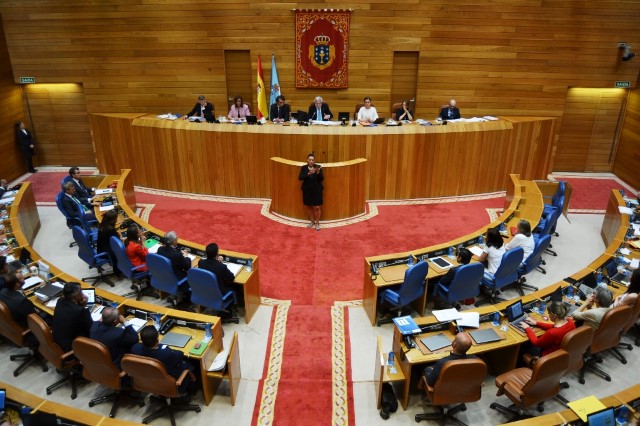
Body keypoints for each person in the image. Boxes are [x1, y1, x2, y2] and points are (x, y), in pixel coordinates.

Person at [131, 325, 196, 395]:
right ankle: (190, 391)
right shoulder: (166, 353)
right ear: (157, 339)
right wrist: (164, 347)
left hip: (148, 381)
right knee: (190, 364)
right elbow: (180, 354)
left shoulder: (135, 349)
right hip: (169, 382)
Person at [51, 282, 93, 352]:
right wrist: (84, 306)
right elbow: (90, 326)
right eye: (81, 292)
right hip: (69, 347)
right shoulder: (79, 310)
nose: (83, 294)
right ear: (76, 297)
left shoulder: (60, 301)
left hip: (57, 339)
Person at [299, 153, 324, 231]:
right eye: (310, 160)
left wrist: (318, 173)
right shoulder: (303, 168)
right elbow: (300, 178)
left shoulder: (318, 167)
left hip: (316, 190)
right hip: (307, 190)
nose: (311, 161)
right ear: (307, 160)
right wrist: (308, 174)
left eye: (312, 160)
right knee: (309, 206)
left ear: (314, 160)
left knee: (317, 207)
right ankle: (312, 221)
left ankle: (317, 223)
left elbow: (322, 179)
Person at [97, 209, 121, 275]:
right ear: (113, 220)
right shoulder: (110, 229)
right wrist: (120, 236)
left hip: (100, 248)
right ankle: (118, 271)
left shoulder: (102, 225)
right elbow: (117, 240)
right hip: (108, 251)